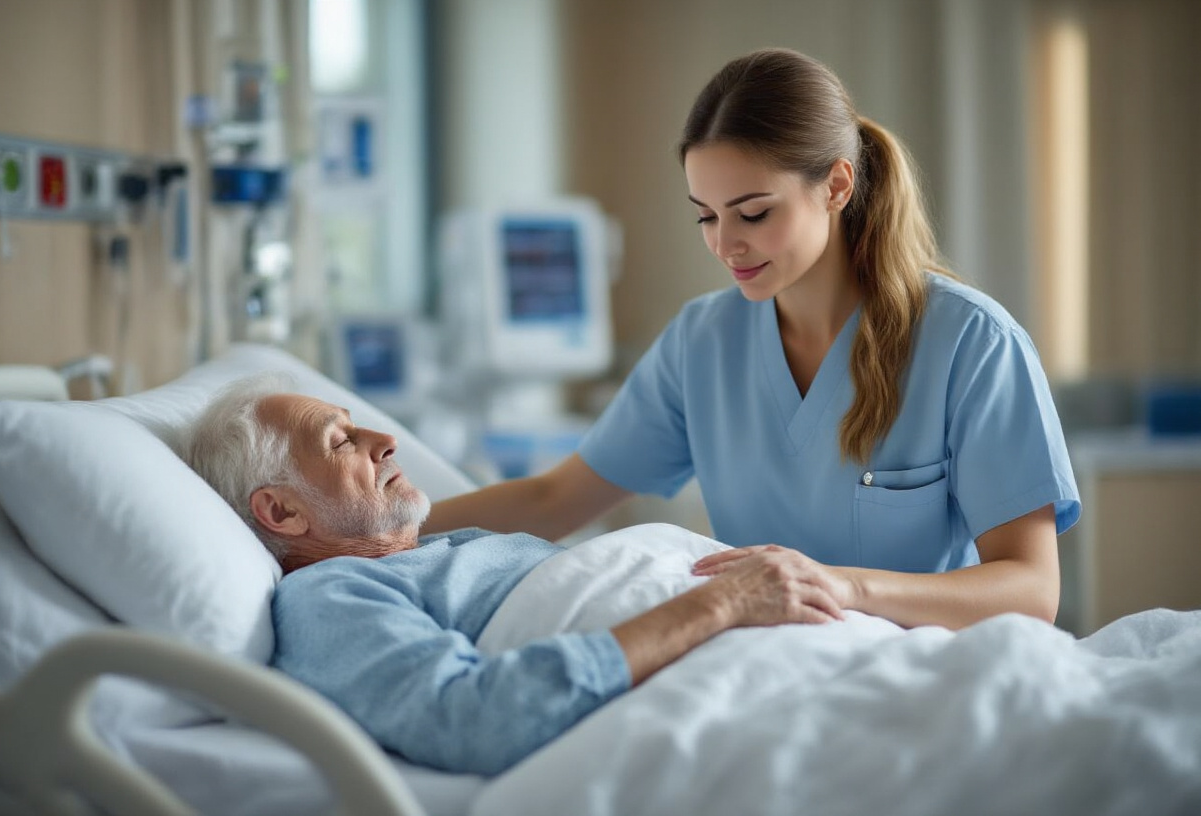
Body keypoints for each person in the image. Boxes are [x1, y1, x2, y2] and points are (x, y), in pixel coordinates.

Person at [422, 47, 1081, 631]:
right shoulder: (701, 344)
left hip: (922, 680)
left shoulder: (971, 343)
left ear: (836, 186)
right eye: (705, 216)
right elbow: (554, 499)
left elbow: (1031, 589)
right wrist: (375, 534)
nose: (724, 244)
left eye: (754, 213)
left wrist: (844, 587)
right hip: (768, 680)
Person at [185, 377, 844, 776]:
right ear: (281, 510)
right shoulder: (330, 594)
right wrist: (724, 602)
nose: (384, 440)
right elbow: (473, 718)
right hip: (748, 670)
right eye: (340, 441)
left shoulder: (437, 553)